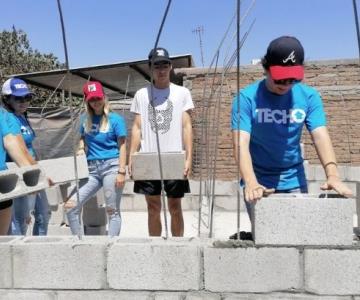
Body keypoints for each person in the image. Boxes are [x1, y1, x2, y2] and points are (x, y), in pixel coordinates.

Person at [231, 36, 352, 235]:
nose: (286, 84)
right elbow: (240, 143)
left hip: (294, 179)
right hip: (258, 180)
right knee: (266, 239)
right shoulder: (246, 99)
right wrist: (250, 180)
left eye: (293, 78)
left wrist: (333, 175)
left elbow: (320, 135)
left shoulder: (309, 97)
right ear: (266, 68)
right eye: (280, 77)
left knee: (297, 238)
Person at [129, 47, 194, 237]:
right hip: (149, 157)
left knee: (175, 206)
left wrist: (189, 157)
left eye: (165, 65)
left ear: (170, 66)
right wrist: (132, 157)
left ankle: (178, 245)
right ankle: (155, 246)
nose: (161, 69)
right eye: (157, 65)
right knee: (153, 207)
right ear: (151, 68)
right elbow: (137, 127)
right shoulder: (142, 94)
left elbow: (186, 126)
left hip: (174, 156)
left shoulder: (182, 93)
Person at [65, 81, 127, 237]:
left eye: (98, 98)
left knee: (112, 210)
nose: (96, 102)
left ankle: (111, 247)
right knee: (71, 207)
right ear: (87, 101)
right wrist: (80, 148)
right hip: (91, 169)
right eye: (92, 99)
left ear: (104, 97)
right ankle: (80, 245)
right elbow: (82, 138)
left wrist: (121, 171)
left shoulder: (115, 119)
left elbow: (123, 146)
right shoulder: (85, 119)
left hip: (111, 167)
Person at [2, 78, 51, 236]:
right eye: (18, 98)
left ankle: (37, 250)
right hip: (19, 174)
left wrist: (39, 173)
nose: (24, 102)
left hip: (31, 168)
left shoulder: (23, 117)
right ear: (7, 99)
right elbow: (19, 149)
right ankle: (19, 257)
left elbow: (29, 150)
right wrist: (35, 177)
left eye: (27, 98)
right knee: (21, 220)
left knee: (43, 214)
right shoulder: (9, 119)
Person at [0, 106, 36, 235]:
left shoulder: (1, 114)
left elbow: (10, 142)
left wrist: (31, 174)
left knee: (2, 243)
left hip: (2, 182)